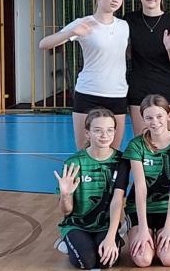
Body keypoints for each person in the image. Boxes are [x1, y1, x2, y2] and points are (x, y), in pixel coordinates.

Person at [40, 0, 129, 150]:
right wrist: (71, 33)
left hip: (117, 93)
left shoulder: (124, 26)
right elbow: (44, 44)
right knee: (84, 150)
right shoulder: (84, 23)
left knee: (113, 152)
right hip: (88, 92)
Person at [55, 107, 127, 269]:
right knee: (87, 262)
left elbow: (117, 201)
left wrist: (110, 238)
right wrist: (66, 195)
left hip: (105, 226)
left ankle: (113, 240)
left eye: (110, 130)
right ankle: (68, 241)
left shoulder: (121, 161)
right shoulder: (74, 163)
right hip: (77, 225)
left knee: (106, 262)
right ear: (87, 133)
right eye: (98, 130)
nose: (104, 135)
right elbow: (66, 211)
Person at [120, 95, 170, 267]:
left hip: (168, 208)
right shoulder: (136, 145)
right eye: (149, 118)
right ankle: (139, 230)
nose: (155, 122)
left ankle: (164, 232)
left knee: (169, 259)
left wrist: (169, 227)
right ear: (143, 119)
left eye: (159, 116)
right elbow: (140, 187)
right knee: (143, 260)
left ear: (169, 116)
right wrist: (142, 229)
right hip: (140, 209)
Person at [124, 0, 170, 136]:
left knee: (169, 142)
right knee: (143, 141)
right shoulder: (129, 20)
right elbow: (127, 52)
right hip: (139, 88)